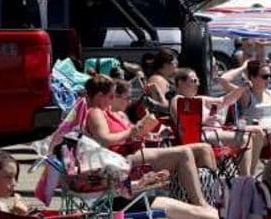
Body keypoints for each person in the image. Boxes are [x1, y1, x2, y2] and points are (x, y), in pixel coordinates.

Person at [81, 75, 219, 210]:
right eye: (111, 96)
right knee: (184, 153)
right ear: (99, 96)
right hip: (119, 158)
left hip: (130, 151)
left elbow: (128, 134)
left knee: (204, 148)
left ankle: (212, 197)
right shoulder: (95, 113)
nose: (112, 100)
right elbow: (104, 139)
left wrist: (142, 133)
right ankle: (199, 203)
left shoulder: (111, 112)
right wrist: (130, 133)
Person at [170, 67, 266, 176]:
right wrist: (206, 120)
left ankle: (251, 174)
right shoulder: (178, 100)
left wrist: (242, 88)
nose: (197, 84)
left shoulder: (199, 99)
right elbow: (184, 121)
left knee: (257, 132)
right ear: (180, 83)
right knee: (243, 139)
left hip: (218, 132)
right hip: (202, 136)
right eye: (193, 81)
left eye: (198, 80)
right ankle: (245, 180)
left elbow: (224, 101)